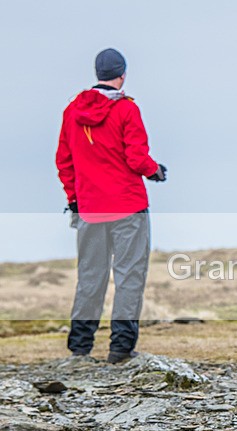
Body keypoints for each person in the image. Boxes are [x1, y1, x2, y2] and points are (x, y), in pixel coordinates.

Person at [56, 48, 166, 364]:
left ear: (98, 73)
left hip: (89, 208)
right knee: (129, 276)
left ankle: (79, 349)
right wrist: (155, 170)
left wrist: (74, 200)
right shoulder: (127, 109)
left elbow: (64, 161)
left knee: (90, 276)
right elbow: (136, 157)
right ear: (122, 74)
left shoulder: (72, 111)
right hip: (128, 207)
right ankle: (120, 349)